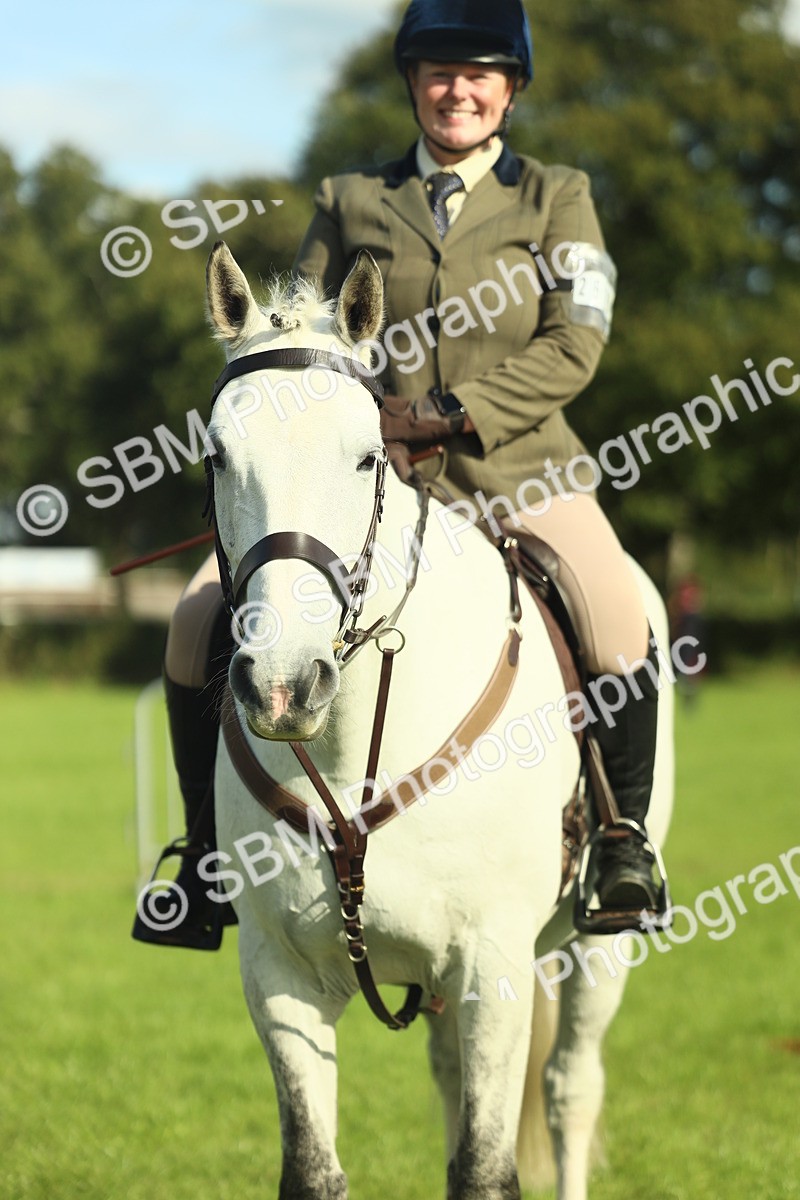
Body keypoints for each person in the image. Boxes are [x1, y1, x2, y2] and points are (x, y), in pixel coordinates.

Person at [134, 0, 668, 949]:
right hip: (373, 485)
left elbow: (574, 344)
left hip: (523, 471)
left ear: (510, 90)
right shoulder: (350, 199)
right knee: (192, 620)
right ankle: (207, 856)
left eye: (479, 74)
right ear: (413, 84)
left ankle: (620, 842)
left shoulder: (559, 196)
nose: (458, 90)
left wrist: (451, 415)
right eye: (439, 71)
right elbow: (299, 335)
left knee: (618, 616)